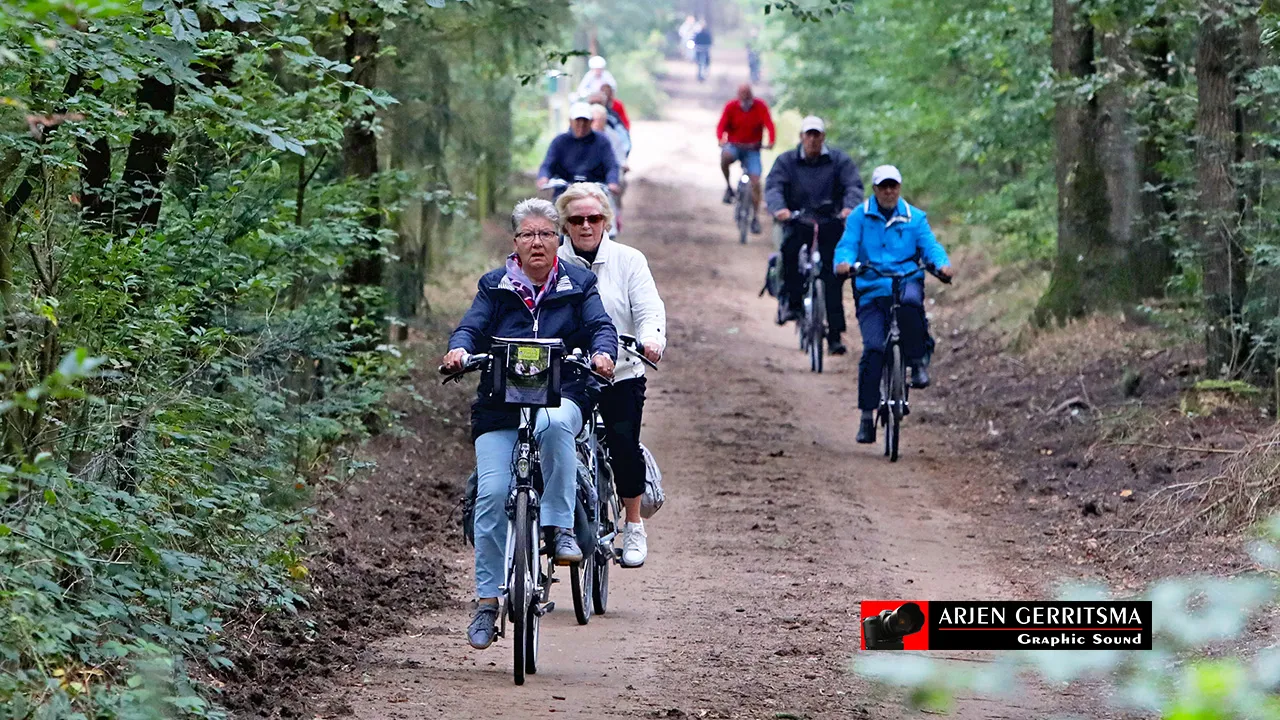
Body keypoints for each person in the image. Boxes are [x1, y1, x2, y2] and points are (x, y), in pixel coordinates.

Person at [442, 198, 618, 650]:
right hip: (500, 405)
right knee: (491, 493)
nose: (536, 242)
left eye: (545, 234)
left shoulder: (579, 283)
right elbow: (471, 327)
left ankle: (559, 527)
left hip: (562, 393)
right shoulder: (494, 285)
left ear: (558, 239)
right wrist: (459, 350)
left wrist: (603, 354)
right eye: (527, 234)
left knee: (555, 425)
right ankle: (487, 602)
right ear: (515, 242)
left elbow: (600, 326)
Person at [555, 183, 666, 568]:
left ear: (607, 220)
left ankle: (633, 525)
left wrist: (651, 339)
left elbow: (649, 309)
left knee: (623, 445)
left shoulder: (629, 260)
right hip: (567, 374)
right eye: (576, 220)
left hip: (620, 371)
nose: (586, 226)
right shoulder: (552, 261)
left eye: (594, 218)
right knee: (551, 437)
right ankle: (555, 521)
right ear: (565, 225)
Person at [833, 165, 954, 445]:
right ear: (875, 189)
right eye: (883, 186)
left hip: (905, 280)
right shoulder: (859, 216)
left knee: (911, 306)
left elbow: (930, 246)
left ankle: (918, 360)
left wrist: (942, 265)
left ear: (899, 188)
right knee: (873, 348)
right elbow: (847, 245)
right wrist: (844, 263)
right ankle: (867, 416)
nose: (889, 191)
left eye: (893, 186)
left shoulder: (915, 217)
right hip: (872, 287)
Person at [765, 115, 864, 355]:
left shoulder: (839, 161)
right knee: (789, 253)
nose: (812, 139)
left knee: (834, 275)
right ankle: (792, 303)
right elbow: (774, 186)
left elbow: (853, 186)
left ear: (823, 137)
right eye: (808, 135)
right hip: (798, 221)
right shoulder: (786, 161)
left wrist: (849, 208)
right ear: (801, 137)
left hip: (830, 222)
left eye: (816, 135)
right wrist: (780, 209)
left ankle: (835, 335)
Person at [716, 83, 776, 233]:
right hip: (734, 145)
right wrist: (721, 139)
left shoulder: (760, 106)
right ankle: (728, 187)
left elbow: (769, 125)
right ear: (738, 96)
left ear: (752, 95)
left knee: (756, 181)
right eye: (742, 95)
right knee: (725, 157)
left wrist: (771, 141)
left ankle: (755, 217)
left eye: (747, 95)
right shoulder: (731, 107)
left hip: (753, 149)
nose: (745, 98)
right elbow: (721, 125)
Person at [538, 102, 621, 197]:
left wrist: (612, 182)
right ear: (570, 121)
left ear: (591, 122)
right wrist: (543, 177)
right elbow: (548, 163)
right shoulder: (559, 141)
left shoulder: (602, 141)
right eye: (578, 121)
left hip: (594, 191)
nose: (581, 125)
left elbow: (611, 165)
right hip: (565, 190)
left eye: (585, 121)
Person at [590, 103, 630, 232]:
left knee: (618, 183)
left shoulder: (612, 136)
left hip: (606, 174)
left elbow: (618, 158)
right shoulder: (580, 137)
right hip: (585, 176)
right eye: (594, 120)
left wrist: (622, 165)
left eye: (600, 120)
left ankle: (614, 215)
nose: (597, 123)